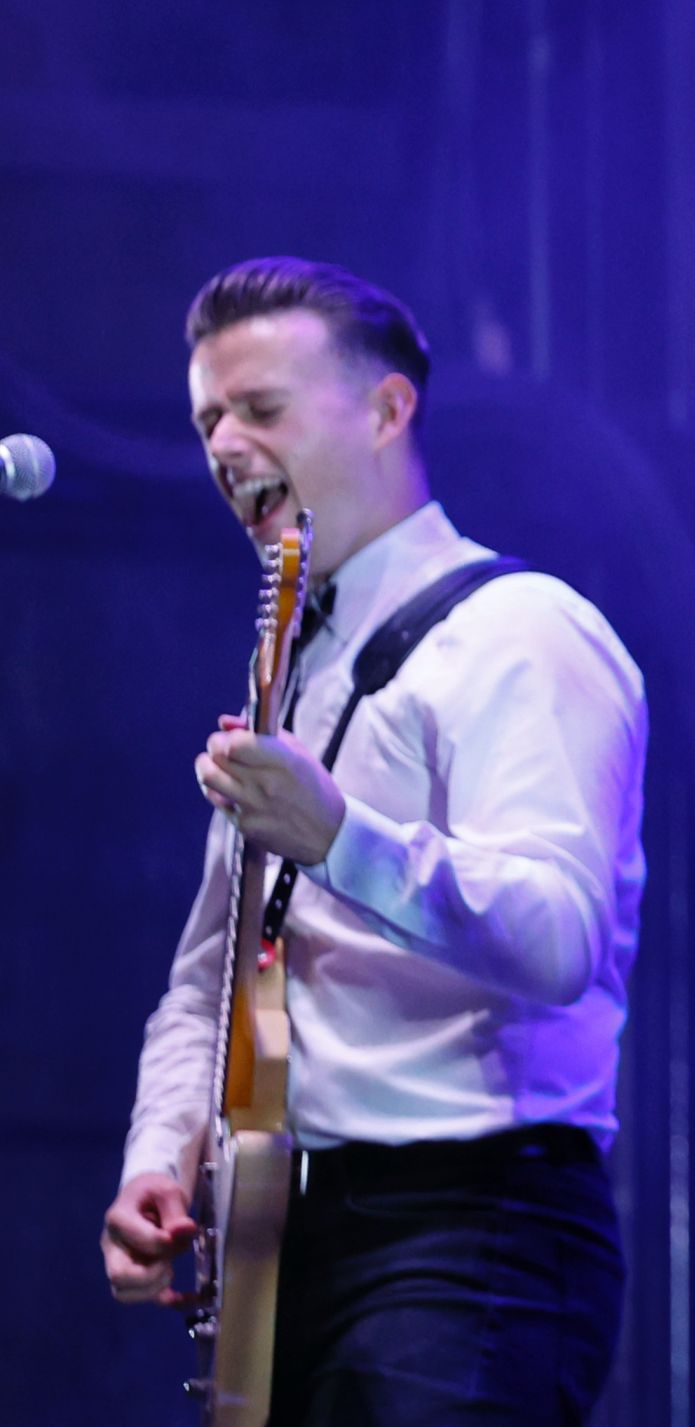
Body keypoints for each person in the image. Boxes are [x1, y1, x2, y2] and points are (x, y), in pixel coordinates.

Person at [98, 257, 647, 1424]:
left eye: (262, 408)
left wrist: (341, 835)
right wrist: (160, 1155)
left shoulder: (521, 631)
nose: (226, 446)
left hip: (467, 1229)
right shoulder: (290, 671)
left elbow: (561, 935)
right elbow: (212, 981)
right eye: (207, 418)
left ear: (388, 409)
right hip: (288, 1236)